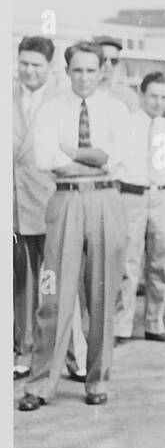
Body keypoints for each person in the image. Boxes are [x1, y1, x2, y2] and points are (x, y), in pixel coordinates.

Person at [18, 41, 131, 411]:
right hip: (64, 201)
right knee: (54, 296)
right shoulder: (52, 110)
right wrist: (90, 158)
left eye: (91, 70)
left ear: (102, 71)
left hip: (105, 202)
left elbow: (116, 160)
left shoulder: (116, 110)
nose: (83, 77)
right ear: (67, 72)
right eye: (77, 70)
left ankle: (97, 380)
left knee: (100, 296)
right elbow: (45, 158)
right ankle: (40, 384)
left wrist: (72, 153)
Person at [13, 35, 87, 381]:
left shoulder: (62, 104)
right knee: (22, 287)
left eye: (36, 65)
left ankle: (73, 357)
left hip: (51, 207)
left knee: (57, 284)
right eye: (24, 63)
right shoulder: (8, 98)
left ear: (49, 67)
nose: (29, 70)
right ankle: (25, 352)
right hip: (15, 210)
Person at [113, 72, 165, 344]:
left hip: (162, 197)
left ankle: (154, 321)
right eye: (153, 95)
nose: (157, 102)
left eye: (164, 97)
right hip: (132, 196)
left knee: (160, 261)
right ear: (142, 95)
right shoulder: (126, 124)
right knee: (128, 262)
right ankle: (121, 325)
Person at [94, 35, 139, 112]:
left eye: (113, 61)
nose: (108, 64)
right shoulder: (83, 92)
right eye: (103, 59)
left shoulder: (127, 96)